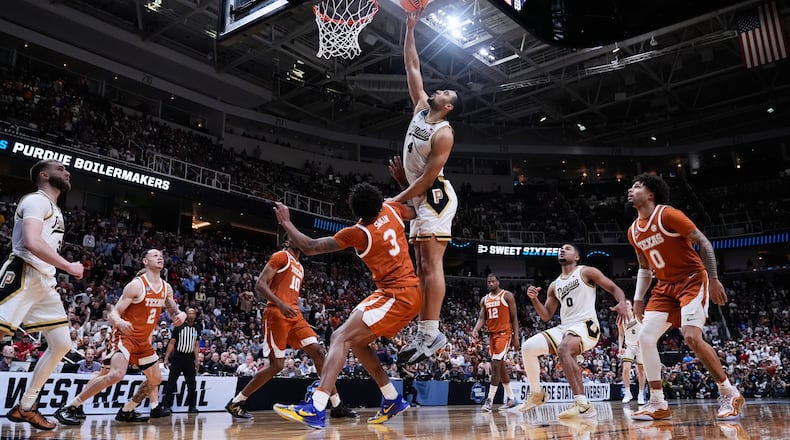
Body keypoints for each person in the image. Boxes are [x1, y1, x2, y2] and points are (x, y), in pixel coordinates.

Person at [271, 182, 422, 429]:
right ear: (378, 201)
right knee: (357, 342)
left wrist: (286, 222)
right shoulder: (392, 208)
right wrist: (406, 184)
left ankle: (316, 407)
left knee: (340, 336)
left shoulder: (359, 233)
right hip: (398, 290)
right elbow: (414, 209)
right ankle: (392, 398)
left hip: (398, 295)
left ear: (356, 212)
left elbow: (310, 246)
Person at [626, 173, 744, 421]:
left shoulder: (667, 214)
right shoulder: (634, 231)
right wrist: (638, 298)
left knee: (691, 337)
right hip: (664, 287)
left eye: (637, 186)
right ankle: (657, 402)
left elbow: (703, 242)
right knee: (645, 339)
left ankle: (728, 391)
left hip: (692, 280)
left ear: (651, 194)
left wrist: (712, 279)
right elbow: (645, 268)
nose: (631, 189)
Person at [388, 10, 461, 365]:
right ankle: (424, 332)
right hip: (418, 197)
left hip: (435, 197)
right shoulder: (420, 109)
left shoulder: (443, 132)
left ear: (446, 107)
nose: (438, 88)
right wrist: (410, 28)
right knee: (421, 266)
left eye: (445, 91)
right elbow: (411, 66)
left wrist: (397, 197)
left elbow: (430, 178)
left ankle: (432, 334)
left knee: (431, 265)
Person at [225, 239, 356, 420]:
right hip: (277, 313)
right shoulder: (281, 256)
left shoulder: (300, 267)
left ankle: (336, 404)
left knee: (318, 352)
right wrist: (280, 303)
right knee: (277, 365)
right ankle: (237, 402)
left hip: (294, 315)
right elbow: (260, 284)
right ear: (288, 241)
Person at [54, 249, 186, 425]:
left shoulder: (165, 288)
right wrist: (120, 323)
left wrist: (181, 315)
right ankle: (71, 406)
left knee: (156, 379)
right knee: (116, 374)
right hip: (125, 336)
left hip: (144, 341)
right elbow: (113, 313)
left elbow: (173, 311)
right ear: (145, 261)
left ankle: (127, 410)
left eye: (161, 255)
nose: (160, 257)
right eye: (155, 255)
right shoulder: (136, 285)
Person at [2, 159, 84, 431]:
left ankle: (26, 407)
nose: (67, 172)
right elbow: (31, 241)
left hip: (45, 283)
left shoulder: (55, 209)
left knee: (61, 344)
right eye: (61, 169)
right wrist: (68, 265)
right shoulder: (35, 200)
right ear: (44, 175)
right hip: (23, 273)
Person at [516, 244, 627, 419]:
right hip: (566, 327)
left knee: (563, 349)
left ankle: (583, 404)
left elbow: (613, 287)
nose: (562, 250)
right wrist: (535, 300)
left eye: (567, 248)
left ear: (576, 257)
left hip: (586, 325)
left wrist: (621, 302)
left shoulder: (586, 271)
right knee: (528, 348)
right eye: (561, 248)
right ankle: (537, 394)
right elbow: (546, 315)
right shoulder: (555, 285)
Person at [471, 274, 520, 412]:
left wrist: (516, 337)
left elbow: (514, 317)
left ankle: (489, 400)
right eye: (488, 282)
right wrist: (475, 329)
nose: (491, 284)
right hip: (492, 335)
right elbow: (482, 318)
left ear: (498, 282)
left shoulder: (507, 296)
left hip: (504, 333)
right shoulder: (484, 299)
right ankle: (511, 398)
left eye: (493, 281)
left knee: (495, 364)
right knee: (501, 366)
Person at [161, 307, 201, 413]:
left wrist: (197, 360)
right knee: (171, 382)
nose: (191, 315)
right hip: (178, 357)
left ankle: (192, 406)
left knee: (192, 384)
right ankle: (167, 406)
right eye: (189, 313)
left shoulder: (197, 328)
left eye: (193, 313)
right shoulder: (179, 327)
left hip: (189, 358)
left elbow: (196, 345)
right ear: (186, 315)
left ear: (195, 315)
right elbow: (172, 343)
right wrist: (166, 358)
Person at [617, 300, 646, 404]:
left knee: (641, 371)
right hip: (629, 346)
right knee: (625, 369)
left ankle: (641, 394)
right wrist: (620, 347)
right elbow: (621, 334)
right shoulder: (620, 319)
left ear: (632, 306)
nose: (626, 305)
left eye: (628, 303)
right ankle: (628, 392)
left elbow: (647, 327)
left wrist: (642, 338)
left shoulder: (638, 315)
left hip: (640, 346)